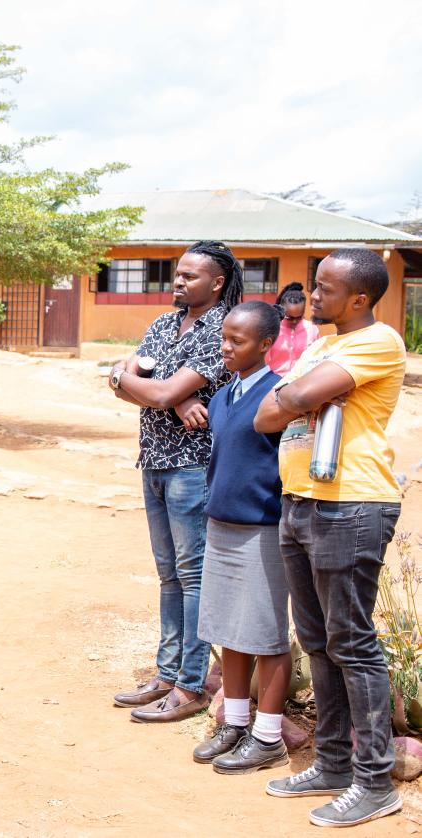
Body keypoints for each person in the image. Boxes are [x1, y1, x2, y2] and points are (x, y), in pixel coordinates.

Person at [254, 248, 405, 828]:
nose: (310, 296)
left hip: (351, 503)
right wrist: (304, 395)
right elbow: (269, 414)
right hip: (301, 499)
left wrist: (298, 397)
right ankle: (334, 762)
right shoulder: (320, 346)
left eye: (323, 288)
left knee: (352, 643)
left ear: (360, 299)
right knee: (316, 640)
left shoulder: (378, 341)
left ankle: (375, 782)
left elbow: (288, 400)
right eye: (314, 286)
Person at [108, 241, 242, 723]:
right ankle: (166, 674)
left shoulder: (223, 329)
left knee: (192, 576)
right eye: (177, 274)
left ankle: (190, 685)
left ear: (217, 283)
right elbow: (133, 376)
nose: (178, 282)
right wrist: (162, 395)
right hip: (155, 460)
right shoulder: (164, 323)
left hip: (193, 465)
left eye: (189, 276)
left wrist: (154, 390)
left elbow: (148, 383)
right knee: (168, 574)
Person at [182, 301, 292, 773]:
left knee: (266, 634)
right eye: (224, 338)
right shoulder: (225, 395)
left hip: (262, 530)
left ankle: (268, 736)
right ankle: (237, 720)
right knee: (231, 629)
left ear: (266, 344)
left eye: (237, 340)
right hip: (223, 526)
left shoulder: (279, 395)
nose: (225, 347)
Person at [266, 282, 320, 375]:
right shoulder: (272, 329)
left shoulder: (312, 329)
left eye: (299, 317)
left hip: (301, 382)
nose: (294, 321)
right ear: (282, 310)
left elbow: (316, 358)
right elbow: (263, 362)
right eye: (290, 317)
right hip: (274, 382)